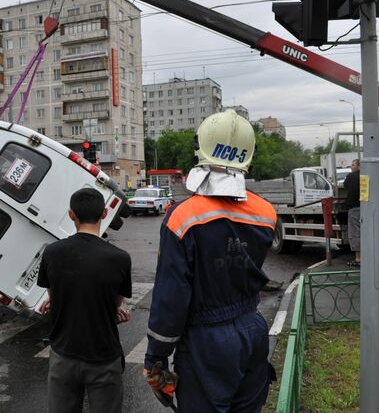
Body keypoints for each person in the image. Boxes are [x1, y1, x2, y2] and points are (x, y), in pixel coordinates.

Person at [143, 110, 277, 413]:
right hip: (253, 330)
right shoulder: (266, 213)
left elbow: (171, 298)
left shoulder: (182, 217)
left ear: (200, 150)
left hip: (206, 341)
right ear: (248, 155)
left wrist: (156, 357)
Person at [37, 188, 132, 413]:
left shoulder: (52, 252)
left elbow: (53, 296)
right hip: (104, 357)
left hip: (63, 355)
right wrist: (113, 311)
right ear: (104, 213)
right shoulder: (119, 258)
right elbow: (115, 303)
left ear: (71, 215)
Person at [343, 159, 360, 267]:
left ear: (359, 166)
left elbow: (345, 186)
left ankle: (358, 259)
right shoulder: (365, 176)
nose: (351, 166)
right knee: (363, 233)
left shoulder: (351, 176)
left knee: (355, 233)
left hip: (354, 208)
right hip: (365, 207)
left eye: (353, 165)